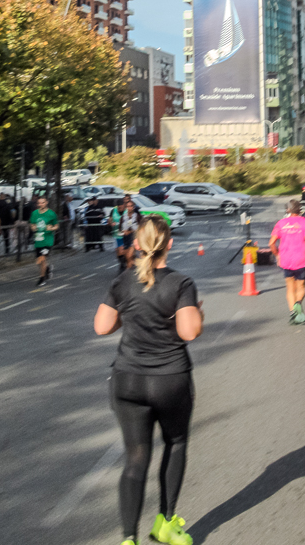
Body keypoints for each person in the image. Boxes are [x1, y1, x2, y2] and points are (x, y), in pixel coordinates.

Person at [94, 216, 203, 545]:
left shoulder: (123, 282)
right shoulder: (181, 284)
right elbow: (189, 331)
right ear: (169, 243)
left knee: (135, 458)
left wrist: (129, 316)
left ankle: (129, 538)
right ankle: (166, 523)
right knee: (176, 443)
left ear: (137, 244)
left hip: (128, 381)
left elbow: (102, 326)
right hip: (169, 380)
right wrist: (197, 311)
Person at [270, 199, 305, 324]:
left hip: (286, 259)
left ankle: (292, 313)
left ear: (287, 210)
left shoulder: (281, 223)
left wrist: (277, 255)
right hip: (300, 258)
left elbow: (271, 243)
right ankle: (298, 303)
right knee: (301, 286)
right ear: (299, 210)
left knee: (290, 288)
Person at [29, 195, 57, 285]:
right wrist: (33, 228)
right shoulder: (35, 213)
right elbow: (32, 224)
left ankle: (42, 278)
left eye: (43, 202)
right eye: (39, 203)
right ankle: (47, 269)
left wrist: (51, 228)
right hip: (38, 240)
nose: (40, 204)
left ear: (46, 203)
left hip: (48, 240)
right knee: (40, 261)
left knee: (41, 259)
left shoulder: (51, 214)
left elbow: (56, 225)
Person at [119, 199, 141, 273]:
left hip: (134, 238)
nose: (129, 208)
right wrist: (123, 231)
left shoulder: (137, 216)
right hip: (126, 239)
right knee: (128, 258)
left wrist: (130, 231)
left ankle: (129, 273)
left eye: (131, 206)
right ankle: (132, 271)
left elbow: (141, 228)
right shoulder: (123, 217)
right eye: (127, 206)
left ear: (133, 207)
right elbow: (120, 228)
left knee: (129, 256)